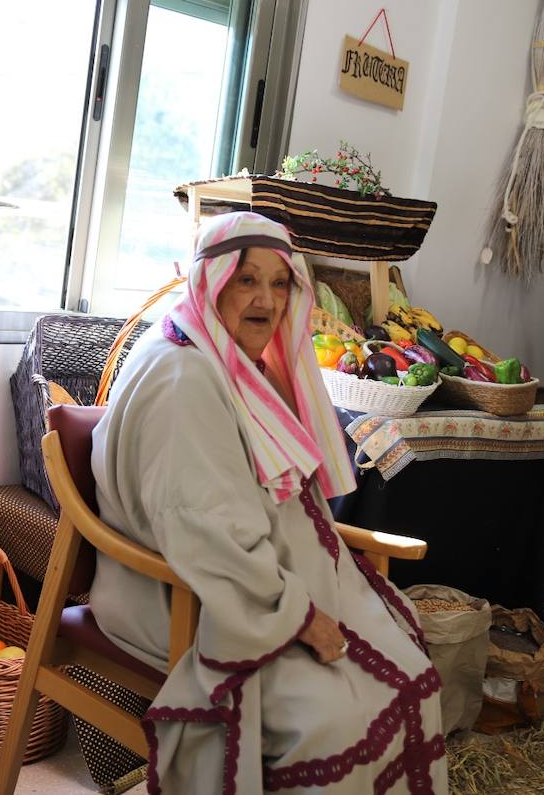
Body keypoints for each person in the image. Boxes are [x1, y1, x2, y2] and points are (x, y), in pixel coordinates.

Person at [90, 212, 445, 793]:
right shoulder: (185, 379)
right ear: (211, 282)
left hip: (247, 583)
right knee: (333, 724)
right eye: (246, 280)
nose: (266, 300)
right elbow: (206, 531)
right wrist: (301, 618)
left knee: (411, 674)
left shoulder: (214, 352)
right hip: (188, 601)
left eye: (279, 283)